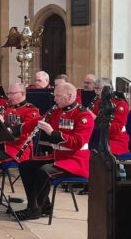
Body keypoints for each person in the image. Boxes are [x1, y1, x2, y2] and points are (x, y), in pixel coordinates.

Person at [16, 82, 94, 220]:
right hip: (59, 157)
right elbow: (37, 121)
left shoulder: (83, 115)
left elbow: (77, 142)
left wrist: (53, 133)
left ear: (70, 96)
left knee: (44, 171)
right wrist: (16, 129)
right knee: (25, 165)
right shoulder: (57, 110)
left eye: (58, 96)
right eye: (55, 96)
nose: (55, 99)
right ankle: (41, 206)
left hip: (76, 160)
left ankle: (34, 210)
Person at [91, 78, 130, 156]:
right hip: (99, 136)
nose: (96, 91)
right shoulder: (97, 101)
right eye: (95, 88)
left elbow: (116, 129)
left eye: (99, 88)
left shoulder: (120, 104)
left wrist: (96, 119)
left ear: (109, 89)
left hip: (115, 139)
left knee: (100, 153)